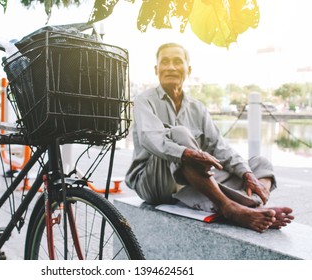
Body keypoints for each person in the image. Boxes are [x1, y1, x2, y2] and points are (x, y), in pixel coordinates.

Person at [125, 42, 294, 233]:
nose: (171, 67)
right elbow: (150, 139)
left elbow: (220, 147)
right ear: (156, 69)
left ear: (188, 70)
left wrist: (247, 174)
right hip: (155, 183)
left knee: (260, 165)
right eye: (165, 62)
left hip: (192, 183)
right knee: (179, 134)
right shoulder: (144, 100)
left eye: (177, 62)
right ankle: (230, 208)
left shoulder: (197, 107)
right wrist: (187, 154)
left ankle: (252, 206)